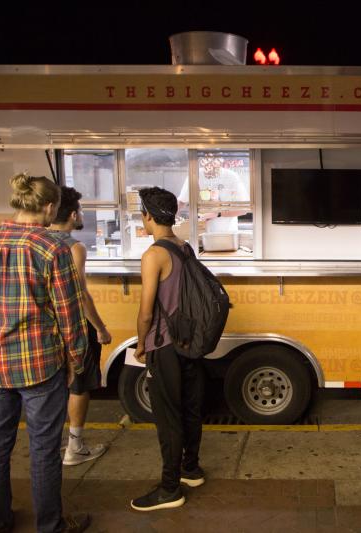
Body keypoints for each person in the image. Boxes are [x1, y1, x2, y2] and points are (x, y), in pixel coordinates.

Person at [0, 174, 90, 533]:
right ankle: (50, 526)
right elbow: (70, 315)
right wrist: (76, 361)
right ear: (50, 207)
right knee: (43, 450)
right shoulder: (53, 249)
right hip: (39, 365)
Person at [130, 186, 206, 511]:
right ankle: (191, 468)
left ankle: (170, 489)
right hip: (189, 342)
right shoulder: (183, 247)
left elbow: (147, 310)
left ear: (148, 215)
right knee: (190, 409)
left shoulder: (153, 255)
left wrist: (140, 344)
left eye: (141, 213)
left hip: (164, 345)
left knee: (168, 417)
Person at [49, 186, 112, 466]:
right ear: (73, 214)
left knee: (52, 385)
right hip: (73, 327)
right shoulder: (74, 247)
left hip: (46, 328)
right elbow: (80, 293)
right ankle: (75, 446)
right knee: (78, 384)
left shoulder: (37, 241)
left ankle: (50, 444)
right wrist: (100, 327)